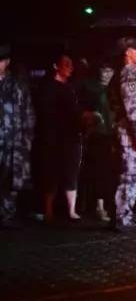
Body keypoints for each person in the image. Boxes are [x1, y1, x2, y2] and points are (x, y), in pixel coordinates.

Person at [35, 53, 82, 223]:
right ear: (56, 66)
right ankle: (47, 210)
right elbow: (45, 112)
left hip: (70, 137)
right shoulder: (48, 87)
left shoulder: (71, 87)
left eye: (71, 64)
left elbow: (76, 110)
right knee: (51, 172)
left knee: (70, 171)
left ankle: (71, 210)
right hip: (53, 137)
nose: (70, 68)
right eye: (66, 64)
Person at [108, 38, 136, 231]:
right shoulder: (128, 75)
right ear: (128, 53)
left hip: (128, 128)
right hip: (129, 133)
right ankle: (122, 217)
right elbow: (131, 109)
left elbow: (131, 107)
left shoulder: (126, 75)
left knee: (129, 174)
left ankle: (125, 215)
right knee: (129, 175)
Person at [0, 45, 35, 229]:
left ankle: (7, 214)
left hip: (13, 139)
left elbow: (28, 112)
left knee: (10, 178)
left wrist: (27, 138)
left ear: (6, 63)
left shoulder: (17, 85)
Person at [77, 63, 116, 221]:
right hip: (97, 135)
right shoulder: (92, 88)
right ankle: (97, 206)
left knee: (107, 171)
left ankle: (104, 205)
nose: (107, 73)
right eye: (104, 69)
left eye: (110, 70)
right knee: (97, 170)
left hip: (110, 134)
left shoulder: (113, 89)